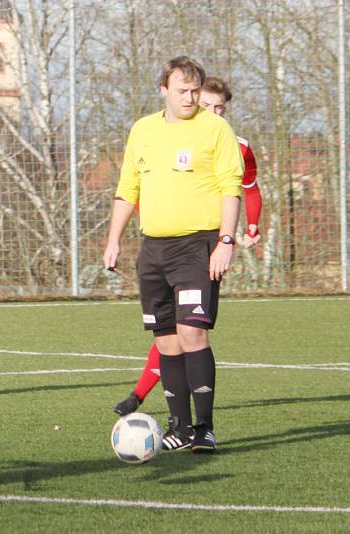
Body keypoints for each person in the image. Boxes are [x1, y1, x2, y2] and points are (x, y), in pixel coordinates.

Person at [102, 57, 244, 453]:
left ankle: (204, 428)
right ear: (163, 89)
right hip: (153, 250)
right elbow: (127, 187)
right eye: (182, 90)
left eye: (195, 90)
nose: (190, 98)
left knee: (192, 332)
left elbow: (231, 186)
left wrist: (226, 241)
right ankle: (178, 427)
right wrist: (113, 240)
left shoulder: (215, 128)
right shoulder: (143, 130)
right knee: (166, 341)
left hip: (196, 246)